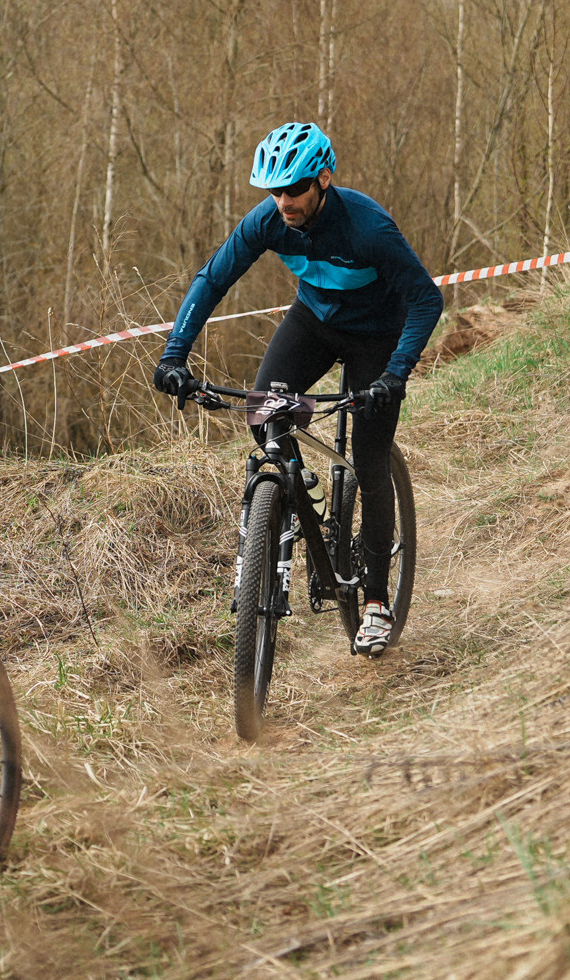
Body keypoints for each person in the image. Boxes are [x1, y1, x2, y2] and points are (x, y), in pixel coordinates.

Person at [150, 123, 443, 658]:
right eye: (274, 191)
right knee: (264, 415)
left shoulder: (368, 227)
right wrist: (174, 354)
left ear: (323, 179)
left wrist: (394, 373)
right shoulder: (268, 222)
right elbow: (211, 280)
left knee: (370, 459)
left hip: (377, 335)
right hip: (314, 321)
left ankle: (376, 601)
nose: (283, 202)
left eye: (293, 190)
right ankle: (287, 499)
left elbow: (427, 299)